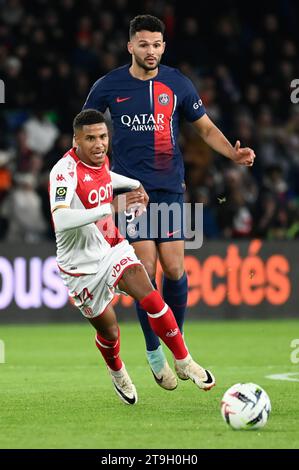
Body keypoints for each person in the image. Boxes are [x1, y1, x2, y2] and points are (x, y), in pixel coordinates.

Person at [83, 15, 255, 391]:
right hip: (129, 192)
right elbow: (84, 128)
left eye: (157, 44)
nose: (151, 51)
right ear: (131, 46)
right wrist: (92, 176)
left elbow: (205, 127)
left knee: (175, 269)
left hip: (170, 189)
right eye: (143, 44)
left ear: (164, 46)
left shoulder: (177, 83)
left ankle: (179, 351)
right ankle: (154, 352)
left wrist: (233, 154)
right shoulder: (108, 85)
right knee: (145, 268)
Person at [49, 109, 215, 405]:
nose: (99, 144)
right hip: (80, 267)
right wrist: (111, 207)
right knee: (110, 333)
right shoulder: (63, 172)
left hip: (112, 247)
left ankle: (184, 359)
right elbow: (60, 219)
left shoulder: (101, 161)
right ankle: (116, 370)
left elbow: (103, 178)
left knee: (150, 295)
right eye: (90, 139)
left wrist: (132, 183)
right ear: (76, 140)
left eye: (103, 137)